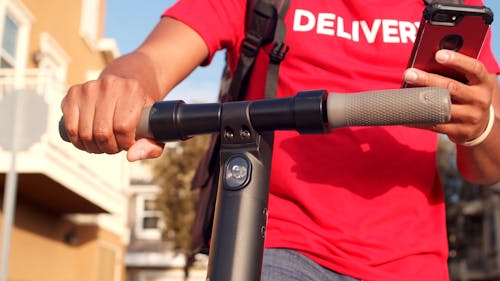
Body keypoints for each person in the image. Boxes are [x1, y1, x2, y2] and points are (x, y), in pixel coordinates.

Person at [61, 0, 500, 280]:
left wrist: (480, 126)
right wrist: (120, 86)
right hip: (275, 243)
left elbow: (486, 166)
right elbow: (149, 62)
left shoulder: (453, 6)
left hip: (412, 262)